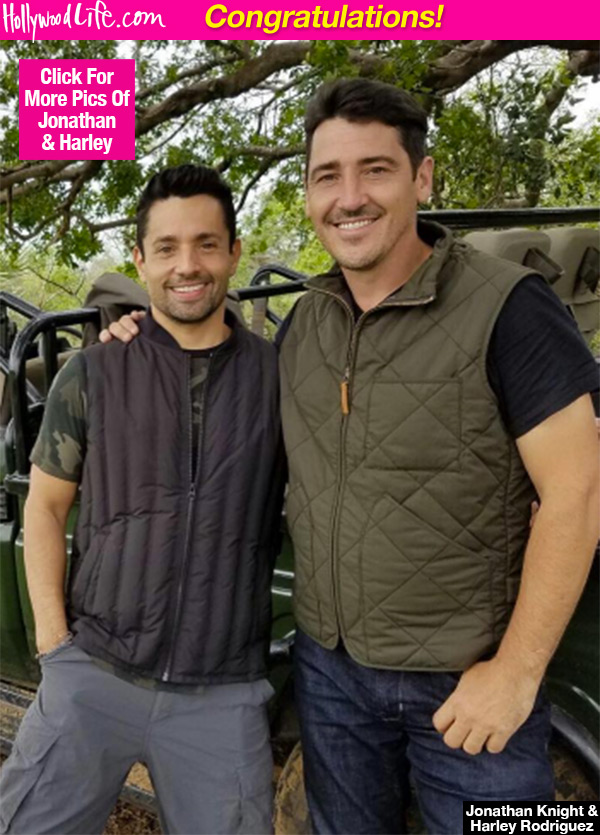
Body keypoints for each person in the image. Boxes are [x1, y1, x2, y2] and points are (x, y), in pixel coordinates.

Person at [103, 80, 599, 834]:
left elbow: (577, 493)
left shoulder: (510, 306)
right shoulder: (306, 324)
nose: (350, 197)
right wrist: (139, 337)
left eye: (376, 169)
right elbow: (218, 384)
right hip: (332, 679)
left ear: (422, 178)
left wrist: (515, 673)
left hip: (467, 688)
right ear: (308, 193)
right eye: (328, 175)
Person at [0, 164, 284, 835]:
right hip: (93, 670)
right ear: (140, 259)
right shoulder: (93, 371)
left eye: (206, 244)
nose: (188, 265)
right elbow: (45, 507)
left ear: (234, 251)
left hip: (223, 692)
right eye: (167, 247)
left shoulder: (280, 376)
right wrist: (54, 647)